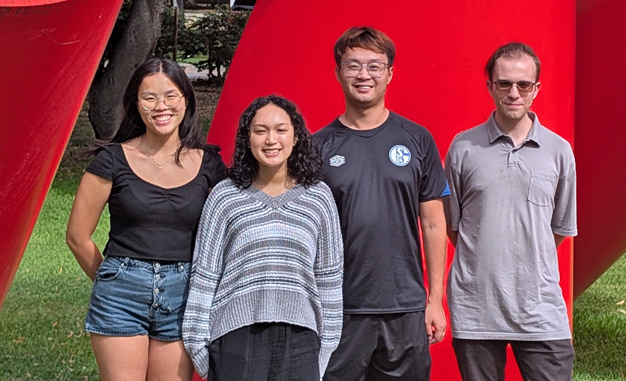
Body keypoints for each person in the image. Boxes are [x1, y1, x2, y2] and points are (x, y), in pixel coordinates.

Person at [65, 58, 227, 381]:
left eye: (170, 96)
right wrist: (113, 279)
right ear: (136, 105)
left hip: (184, 295)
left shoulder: (209, 165)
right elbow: (77, 236)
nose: (160, 106)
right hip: (120, 296)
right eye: (149, 98)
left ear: (186, 100)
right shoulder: (112, 160)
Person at [314, 27, 450, 381]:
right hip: (339, 307)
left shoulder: (418, 139)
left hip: (404, 305)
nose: (364, 75)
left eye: (375, 66)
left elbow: (434, 224)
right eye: (353, 65)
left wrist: (435, 300)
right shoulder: (317, 147)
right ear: (338, 72)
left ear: (390, 73)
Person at [182, 95, 344, 381]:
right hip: (235, 339)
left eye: (281, 130)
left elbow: (329, 278)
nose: (271, 139)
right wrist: (197, 344)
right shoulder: (225, 196)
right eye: (260, 130)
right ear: (248, 138)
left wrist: (327, 345)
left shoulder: (318, 198)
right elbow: (205, 273)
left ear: (296, 138)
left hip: (301, 342)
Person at [444, 42, 577, 381]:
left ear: (536, 89)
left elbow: (559, 228)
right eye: (504, 83)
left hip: (540, 307)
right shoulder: (463, 148)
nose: (513, 93)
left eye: (524, 85)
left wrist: (529, 258)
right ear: (490, 86)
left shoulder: (559, 152)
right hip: (476, 309)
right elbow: (454, 226)